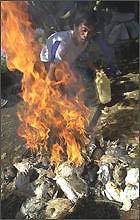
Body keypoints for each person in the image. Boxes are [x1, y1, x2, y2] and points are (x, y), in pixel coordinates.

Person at [40, 10, 98, 82]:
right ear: (75, 27)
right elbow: (52, 65)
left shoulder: (84, 43)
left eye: (90, 32)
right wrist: (49, 85)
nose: (86, 35)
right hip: (45, 65)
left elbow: (80, 58)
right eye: (84, 30)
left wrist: (94, 69)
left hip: (62, 65)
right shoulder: (63, 43)